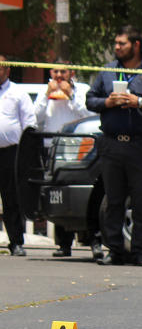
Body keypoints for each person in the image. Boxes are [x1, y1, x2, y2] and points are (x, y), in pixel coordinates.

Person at [86, 25, 142, 266]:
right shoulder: (107, 71)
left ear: (135, 45)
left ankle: (140, 253)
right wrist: (107, 101)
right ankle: (114, 251)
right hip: (112, 144)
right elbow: (90, 100)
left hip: (141, 145)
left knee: (141, 201)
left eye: (121, 44)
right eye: (115, 43)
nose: (116, 48)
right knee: (114, 201)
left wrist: (141, 101)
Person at [34, 59, 92, 257]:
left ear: (72, 73)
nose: (59, 77)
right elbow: (36, 117)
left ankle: (92, 241)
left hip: (79, 147)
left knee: (82, 192)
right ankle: (63, 244)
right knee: (57, 193)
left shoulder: (83, 90)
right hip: (53, 147)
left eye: (63, 72)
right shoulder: (46, 90)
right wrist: (45, 95)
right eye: (56, 72)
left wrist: (71, 95)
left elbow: (88, 114)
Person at [0, 54, 37, 256]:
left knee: (11, 197)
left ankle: (16, 242)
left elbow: (29, 122)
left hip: (10, 152)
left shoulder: (17, 92)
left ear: (7, 70)